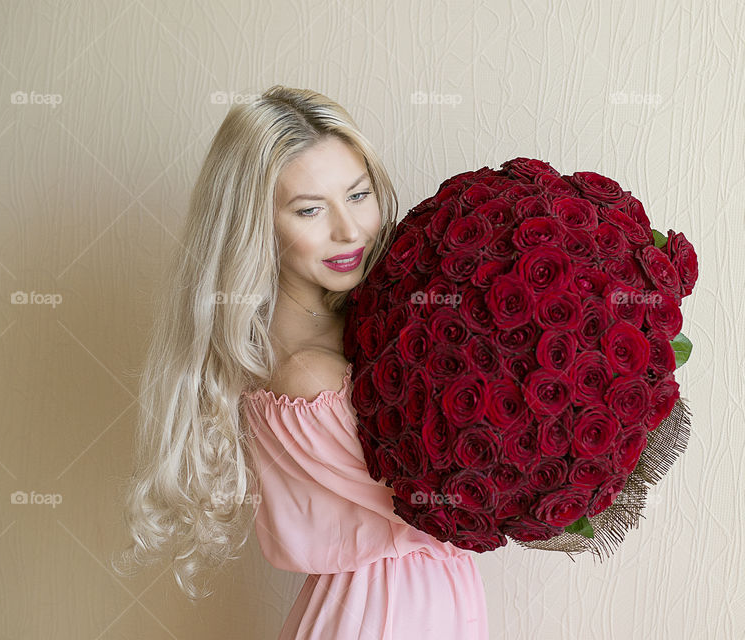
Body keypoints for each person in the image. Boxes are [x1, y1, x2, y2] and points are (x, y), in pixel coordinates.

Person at [114, 85, 489, 639]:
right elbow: (453, 505)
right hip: (387, 617)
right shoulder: (311, 379)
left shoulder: (364, 322)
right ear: (254, 226)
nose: (349, 230)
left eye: (358, 196)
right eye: (309, 209)